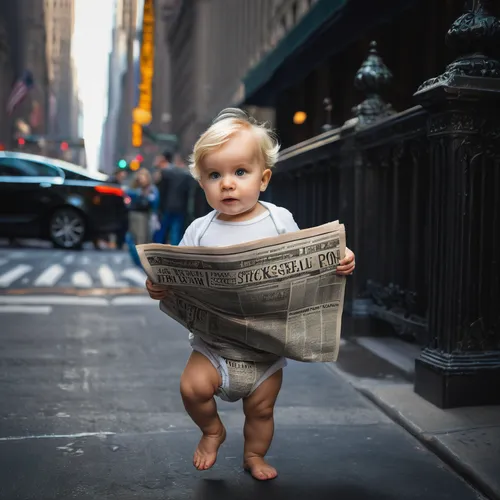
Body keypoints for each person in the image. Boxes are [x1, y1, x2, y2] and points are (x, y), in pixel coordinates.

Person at [145, 108, 356, 481]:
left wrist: (340, 261)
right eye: (215, 175)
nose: (227, 183)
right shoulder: (200, 229)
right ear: (203, 184)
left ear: (264, 178)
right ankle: (212, 430)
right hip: (215, 346)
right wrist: (159, 287)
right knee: (191, 388)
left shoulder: (278, 220)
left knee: (260, 411)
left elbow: (310, 262)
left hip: (265, 349)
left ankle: (254, 455)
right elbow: (175, 279)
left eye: (240, 172)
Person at [154, 150, 193, 245]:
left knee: (162, 230)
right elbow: (188, 194)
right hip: (180, 207)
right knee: (176, 232)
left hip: (167, 206)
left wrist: (159, 208)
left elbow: (161, 192)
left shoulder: (166, 173)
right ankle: (175, 251)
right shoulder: (187, 176)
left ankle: (158, 249)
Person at [126, 168, 159, 245]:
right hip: (136, 213)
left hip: (147, 214)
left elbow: (155, 200)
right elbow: (128, 193)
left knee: (146, 237)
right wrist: (140, 193)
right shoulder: (135, 188)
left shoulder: (151, 188)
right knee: (137, 237)